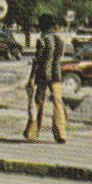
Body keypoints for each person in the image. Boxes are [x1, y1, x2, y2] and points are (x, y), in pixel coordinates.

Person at [24, 13, 68, 143]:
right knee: (58, 103)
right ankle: (61, 133)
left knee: (38, 102)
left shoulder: (41, 40)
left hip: (43, 75)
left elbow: (37, 61)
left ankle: (32, 132)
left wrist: (31, 78)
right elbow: (59, 58)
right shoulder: (60, 41)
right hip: (56, 75)